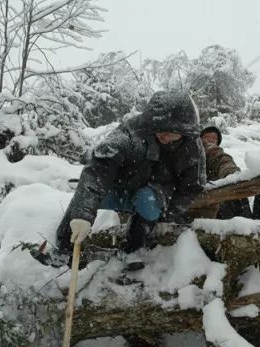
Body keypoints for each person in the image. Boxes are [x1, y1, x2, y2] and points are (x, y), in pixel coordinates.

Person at [55, 90, 206, 270]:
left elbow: (192, 186)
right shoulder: (129, 135)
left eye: (172, 132)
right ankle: (64, 248)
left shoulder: (191, 148)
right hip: (120, 188)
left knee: (147, 202)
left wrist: (169, 214)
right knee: (87, 200)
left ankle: (132, 249)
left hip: (155, 193)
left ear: (184, 131)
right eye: (161, 130)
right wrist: (82, 215)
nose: (165, 136)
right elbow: (97, 172)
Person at [199, 126, 252, 219]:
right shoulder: (192, 153)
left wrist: (233, 175)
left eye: (214, 138)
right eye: (207, 137)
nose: (210, 140)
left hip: (218, 203)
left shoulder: (215, 153)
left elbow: (224, 162)